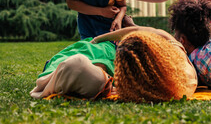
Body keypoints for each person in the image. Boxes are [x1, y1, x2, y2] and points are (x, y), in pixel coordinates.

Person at [30, 26, 197, 102]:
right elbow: (141, 30)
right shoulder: (179, 63)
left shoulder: (97, 76)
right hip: (95, 49)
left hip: (91, 55)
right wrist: (100, 39)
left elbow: (75, 66)